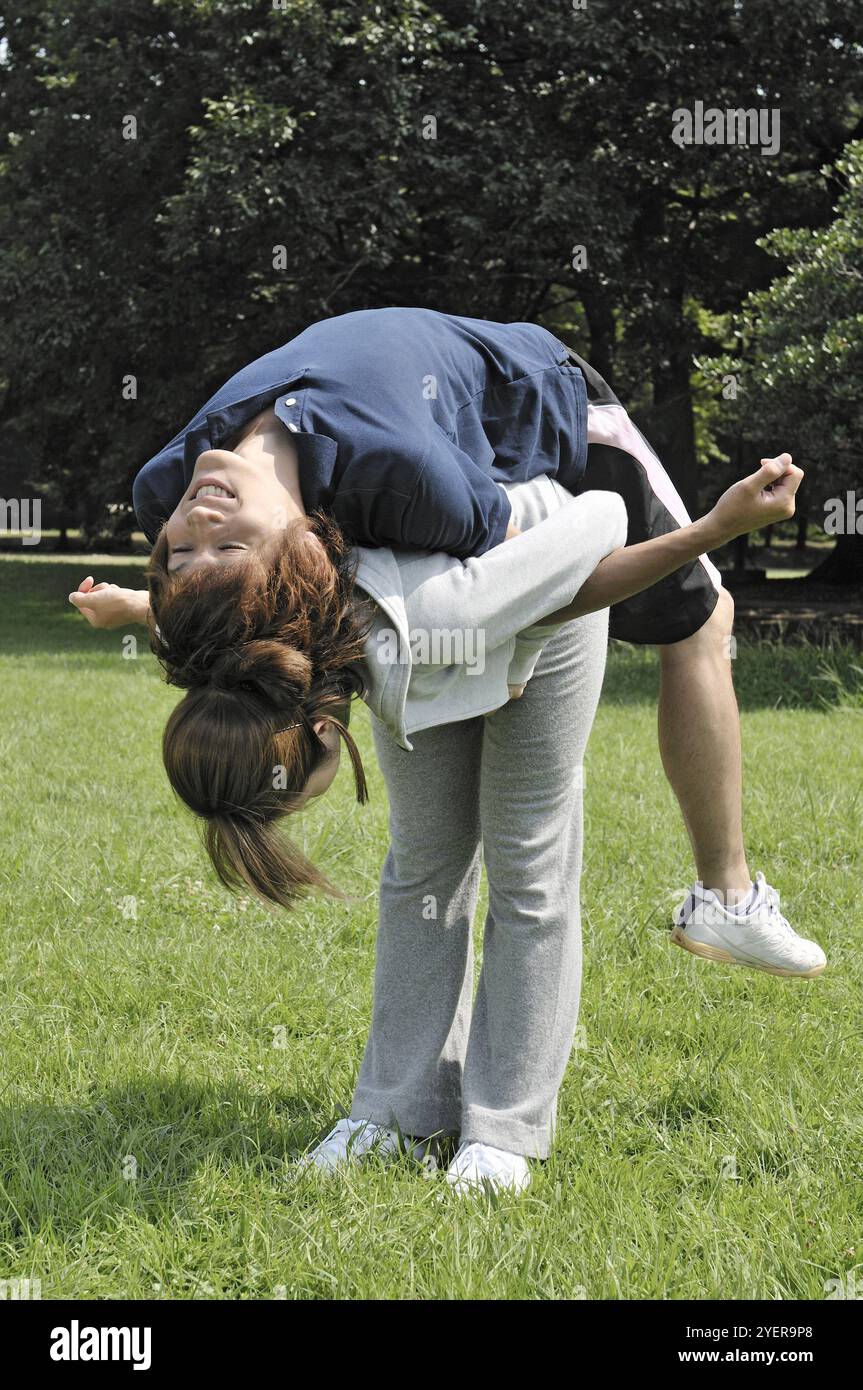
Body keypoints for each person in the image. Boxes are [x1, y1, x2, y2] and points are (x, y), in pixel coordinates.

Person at [73, 308, 826, 978]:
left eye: (176, 558)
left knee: (702, 620)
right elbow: (548, 578)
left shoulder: (169, 487)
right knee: (706, 620)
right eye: (220, 555)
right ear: (304, 551)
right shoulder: (403, 489)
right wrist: (712, 531)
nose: (196, 531)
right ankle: (726, 899)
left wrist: (145, 606)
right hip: (452, 466)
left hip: (541, 403)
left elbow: (539, 576)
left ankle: (723, 896)